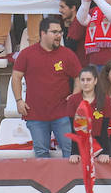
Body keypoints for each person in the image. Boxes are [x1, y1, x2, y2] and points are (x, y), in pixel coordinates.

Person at [10, 15, 80, 158]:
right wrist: (18, 100)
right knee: (41, 153)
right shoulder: (27, 54)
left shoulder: (67, 54)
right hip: (35, 114)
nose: (59, 35)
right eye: (54, 32)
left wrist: (75, 95)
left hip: (62, 113)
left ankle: (69, 180)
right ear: (43, 33)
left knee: (69, 152)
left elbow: (78, 76)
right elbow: (16, 76)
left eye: (60, 32)